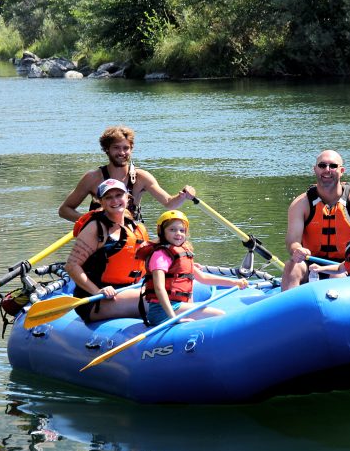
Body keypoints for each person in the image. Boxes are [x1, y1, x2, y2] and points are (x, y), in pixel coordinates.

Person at [281, 149, 350, 290]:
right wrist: (297, 250)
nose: (327, 170)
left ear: (341, 171)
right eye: (322, 166)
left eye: (333, 166)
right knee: (291, 267)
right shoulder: (301, 204)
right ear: (315, 170)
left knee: (338, 276)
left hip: (348, 264)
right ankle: (290, 309)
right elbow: (292, 241)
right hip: (312, 263)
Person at [59, 125, 196, 223]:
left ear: (131, 149)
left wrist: (184, 195)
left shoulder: (141, 177)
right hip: (99, 239)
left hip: (131, 239)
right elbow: (65, 210)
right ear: (106, 149)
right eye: (116, 148)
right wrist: (89, 220)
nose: (122, 153)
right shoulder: (92, 178)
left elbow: (169, 203)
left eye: (126, 148)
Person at [137, 210, 248, 326]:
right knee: (219, 315)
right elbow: (159, 288)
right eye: (172, 229)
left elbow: (203, 278)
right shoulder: (161, 255)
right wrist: (173, 318)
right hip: (162, 311)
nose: (178, 233)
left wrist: (235, 282)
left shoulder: (180, 253)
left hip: (178, 306)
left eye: (182, 230)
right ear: (161, 232)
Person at [64, 179, 149, 322]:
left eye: (119, 195)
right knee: (156, 299)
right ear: (101, 202)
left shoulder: (136, 228)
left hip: (129, 290)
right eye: (108, 197)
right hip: (98, 299)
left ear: (128, 198)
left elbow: (150, 260)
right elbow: (71, 266)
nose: (114, 200)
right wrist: (97, 291)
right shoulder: (96, 228)